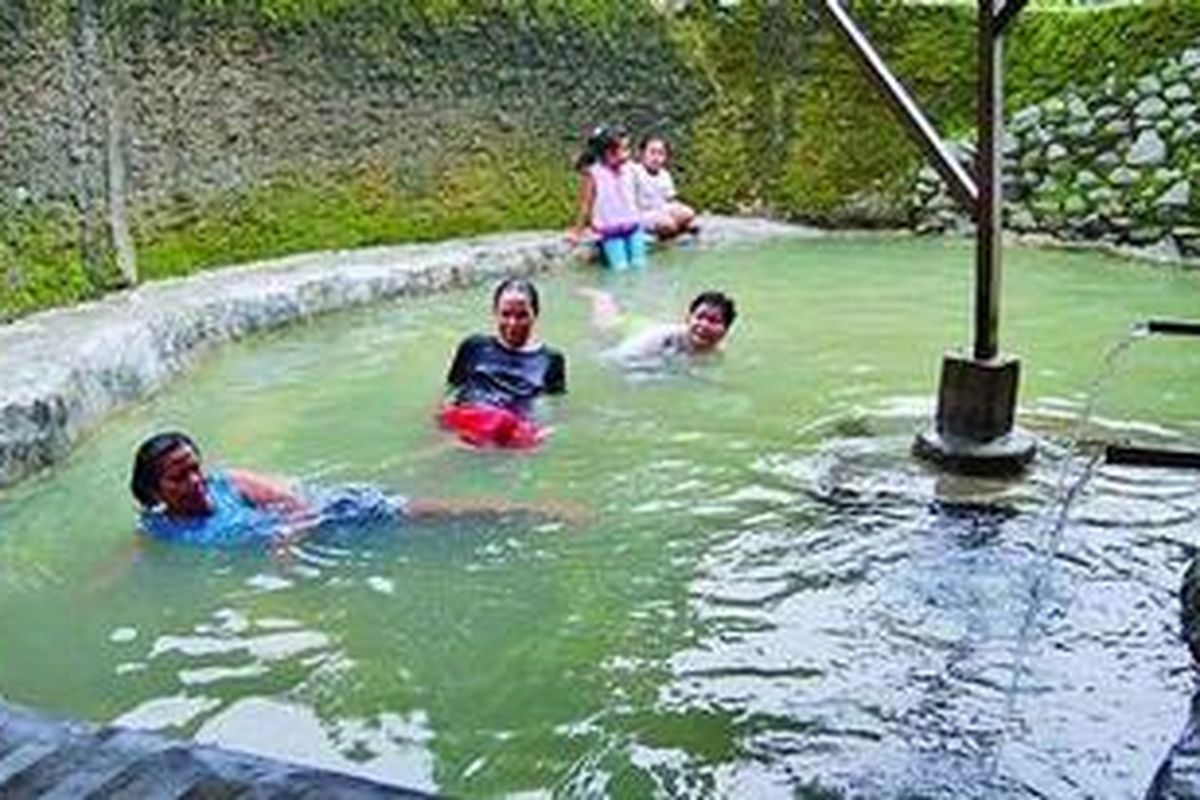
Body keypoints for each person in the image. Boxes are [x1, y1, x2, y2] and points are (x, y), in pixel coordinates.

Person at [130, 431, 576, 549]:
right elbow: (132, 553)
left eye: (196, 468)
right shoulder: (158, 526)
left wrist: (288, 540)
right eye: (180, 477)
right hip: (328, 538)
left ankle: (532, 510)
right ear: (155, 491)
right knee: (436, 541)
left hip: (340, 510)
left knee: (447, 518)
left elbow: (297, 504)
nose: (195, 482)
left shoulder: (228, 484)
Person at [440, 277, 566, 448]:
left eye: (521, 316)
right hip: (465, 426)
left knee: (503, 421)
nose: (512, 324)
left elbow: (553, 406)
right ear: (495, 313)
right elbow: (451, 391)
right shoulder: (474, 346)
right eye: (505, 314)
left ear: (534, 314)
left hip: (508, 435)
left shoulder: (551, 359)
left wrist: (539, 434)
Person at [581, 287, 737, 369]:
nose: (704, 324)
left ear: (726, 329)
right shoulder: (660, 338)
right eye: (699, 317)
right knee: (606, 324)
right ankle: (601, 297)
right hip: (639, 332)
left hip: (647, 326)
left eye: (713, 320)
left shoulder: (717, 348)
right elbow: (616, 359)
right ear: (688, 318)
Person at [568, 125, 647, 271]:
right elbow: (586, 203)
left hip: (633, 226)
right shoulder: (594, 173)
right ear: (608, 152)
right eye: (624, 149)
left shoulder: (630, 168)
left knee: (640, 265)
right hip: (610, 231)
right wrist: (578, 231)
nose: (628, 153)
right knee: (620, 268)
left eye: (628, 148)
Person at [631, 135, 697, 241]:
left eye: (661, 154)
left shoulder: (664, 175)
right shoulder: (634, 171)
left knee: (689, 213)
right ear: (642, 154)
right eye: (652, 152)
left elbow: (670, 199)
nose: (656, 158)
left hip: (661, 209)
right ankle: (672, 232)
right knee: (668, 224)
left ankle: (678, 228)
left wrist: (679, 210)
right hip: (642, 213)